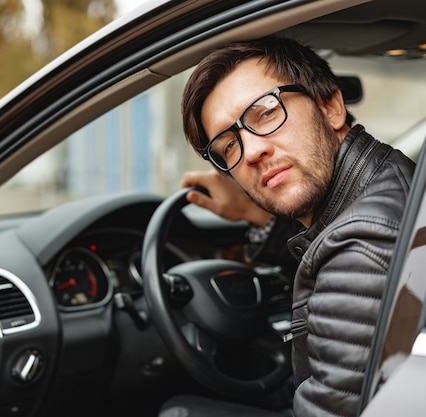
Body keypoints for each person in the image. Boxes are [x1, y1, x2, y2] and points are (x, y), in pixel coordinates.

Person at [159, 36, 415, 417]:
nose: (251, 151)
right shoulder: (389, 176)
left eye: (265, 112)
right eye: (228, 146)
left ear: (331, 106)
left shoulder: (360, 250)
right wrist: (259, 217)